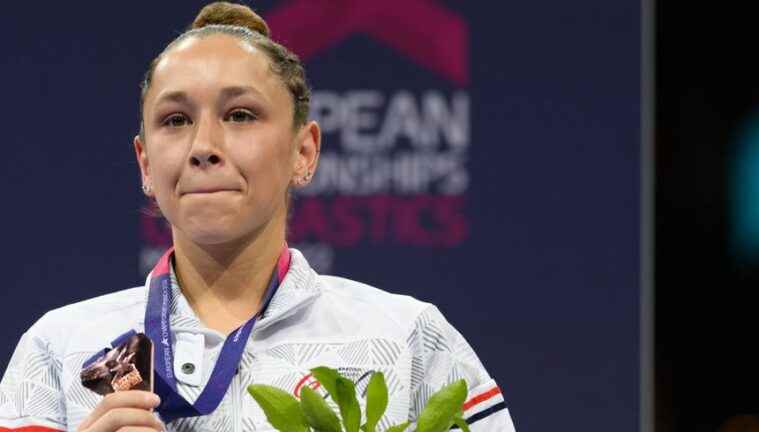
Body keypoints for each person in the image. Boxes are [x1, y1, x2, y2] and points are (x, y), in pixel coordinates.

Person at [0, 3, 516, 431]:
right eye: (176, 120)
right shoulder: (56, 349)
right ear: (145, 163)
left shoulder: (410, 339)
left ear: (304, 152)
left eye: (240, 115)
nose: (204, 146)